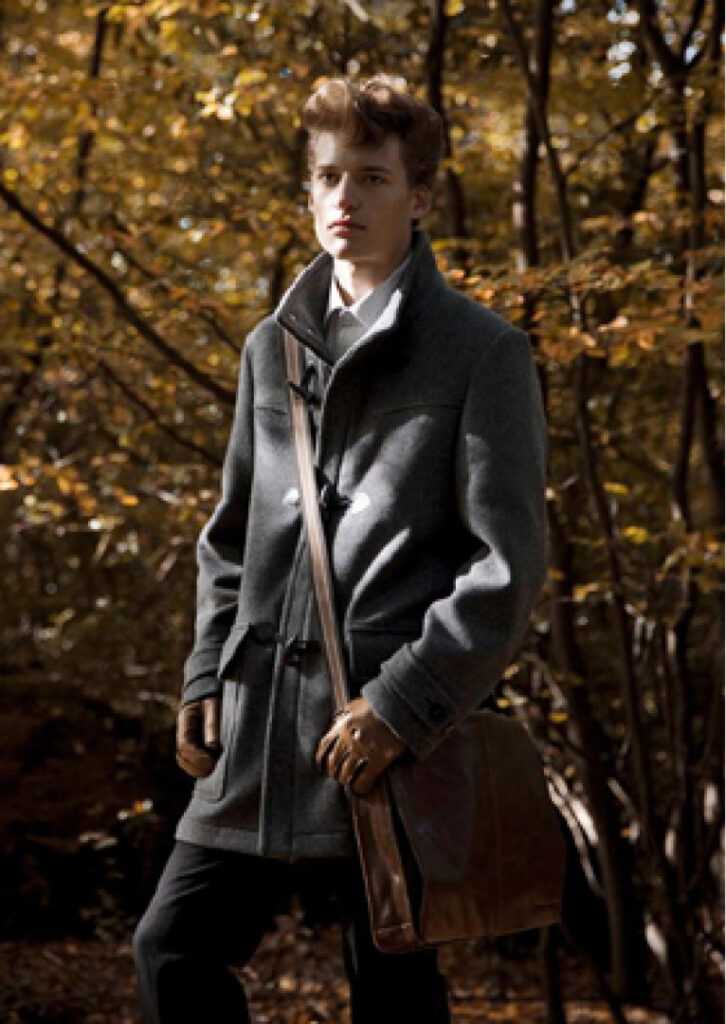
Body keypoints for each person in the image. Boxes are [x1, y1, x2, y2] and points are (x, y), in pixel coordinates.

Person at [132, 75, 548, 1024]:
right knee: (171, 949)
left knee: (392, 987)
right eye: (328, 177)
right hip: (256, 727)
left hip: (386, 741)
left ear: (420, 196)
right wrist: (204, 676)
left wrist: (404, 704)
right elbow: (231, 537)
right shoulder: (268, 349)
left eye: (372, 176)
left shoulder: (483, 352)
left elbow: (506, 568)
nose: (345, 198)